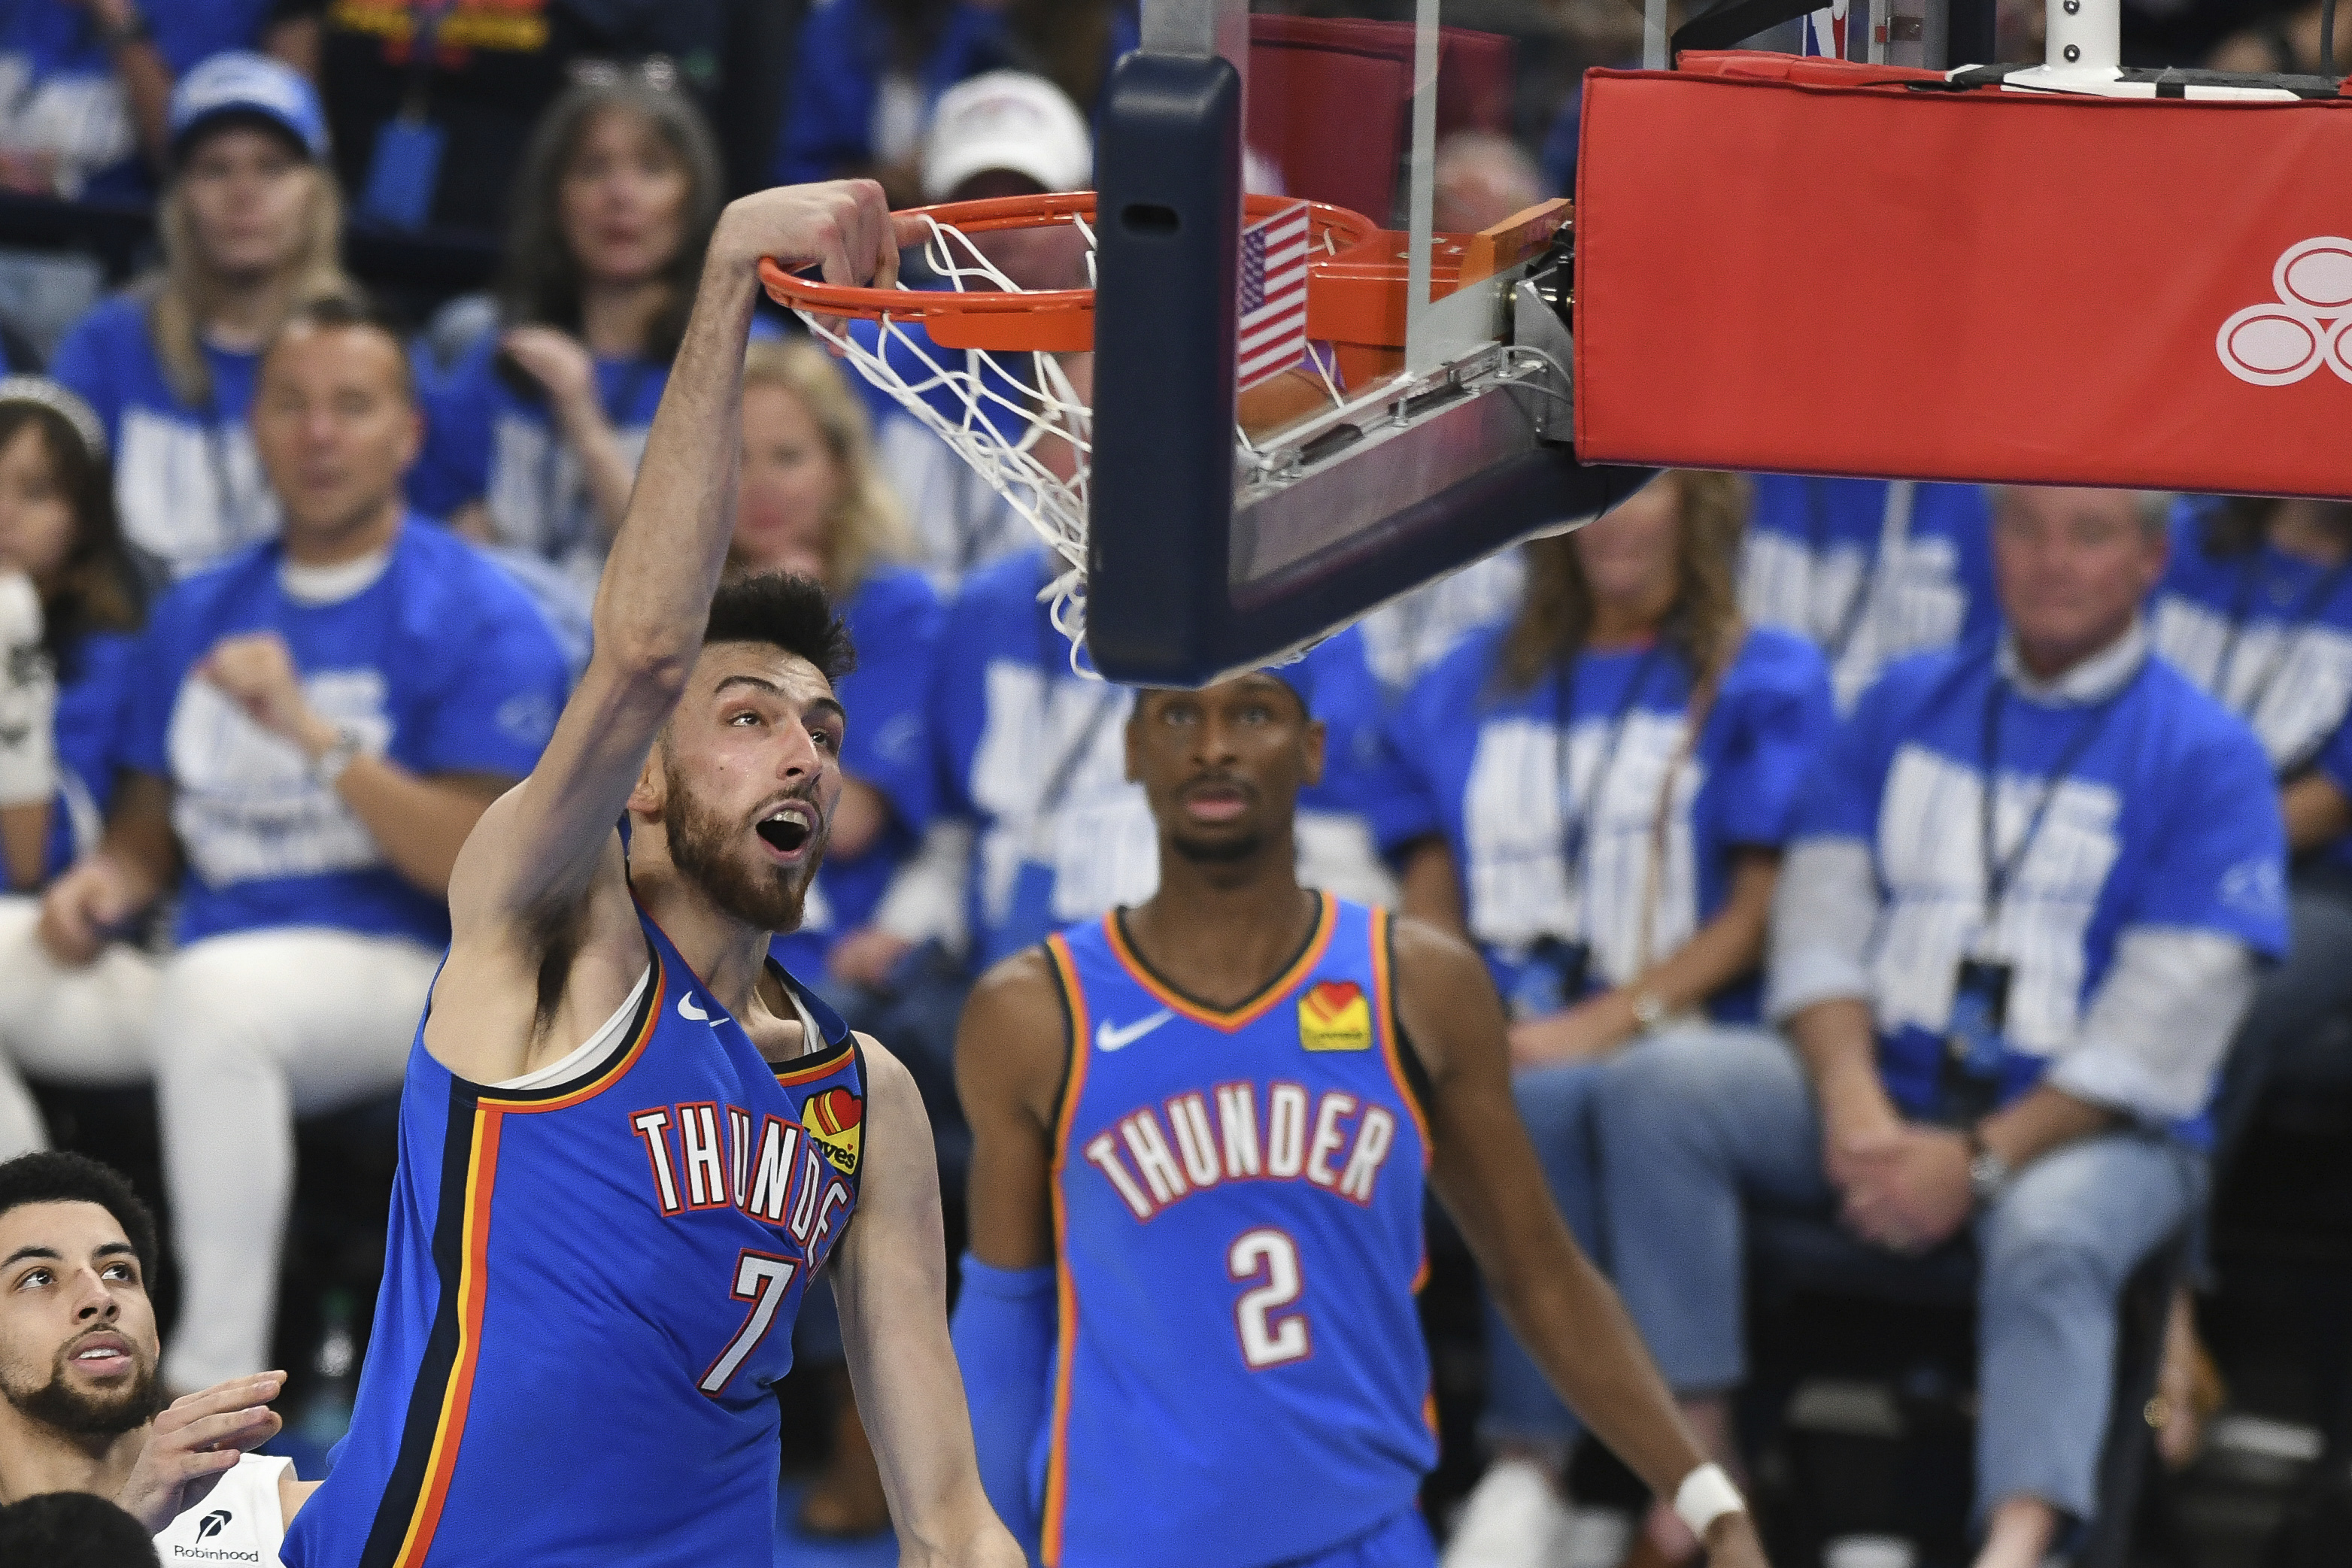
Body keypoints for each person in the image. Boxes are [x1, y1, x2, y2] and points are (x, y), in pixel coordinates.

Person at [280, 179, 1024, 1566]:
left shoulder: (870, 1100)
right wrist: (731, 272)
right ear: (644, 777)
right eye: (746, 721)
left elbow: (948, 1517)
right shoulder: (547, 941)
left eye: (822, 733)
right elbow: (637, 655)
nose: (802, 754)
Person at [1595, 487, 2290, 1568]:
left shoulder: (2209, 756)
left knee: (2050, 1231)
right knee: (1656, 1091)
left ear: (2152, 559)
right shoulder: (1899, 702)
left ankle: (2016, 1546)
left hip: (2100, 1134)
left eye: (2088, 534)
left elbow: (2161, 1027)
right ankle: (1699, 1472)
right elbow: (1819, 924)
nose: (2049, 560)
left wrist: (1973, 1161)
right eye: (2023, 527)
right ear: (1989, 542)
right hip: (1888, 1089)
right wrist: (1851, 1101)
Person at [948, 666, 1772, 1568]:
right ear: (1133, 749)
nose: (1213, 746)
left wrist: (1710, 1503)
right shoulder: (1035, 1011)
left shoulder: (1417, 987)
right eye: (1178, 715)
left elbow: (1542, 1276)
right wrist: (970, 1544)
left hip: (1365, 1540)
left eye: (1252, 713)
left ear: (1312, 751)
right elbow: (1001, 1323)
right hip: (1124, 1544)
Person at [9, 294, 572, 1394]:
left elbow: (480, 869)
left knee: (222, 999)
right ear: (256, 429)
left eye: (351, 407)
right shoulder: (199, 608)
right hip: (200, 967)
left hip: (413, 978)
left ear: (406, 435)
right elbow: (144, 835)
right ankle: (34, 1320)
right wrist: (104, 884)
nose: (319, 434)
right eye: (293, 406)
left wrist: (314, 738)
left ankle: (205, 1397)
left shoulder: (480, 613)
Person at [1377, 473, 1833, 1568]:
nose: (1615, 521)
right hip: (1511, 1035)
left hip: (1686, 1026)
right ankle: (1531, 1472)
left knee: (1595, 1093)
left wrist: (1610, 1019)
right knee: (1519, 1099)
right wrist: (1469, 1013)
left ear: (1699, 508)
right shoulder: (1467, 677)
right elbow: (1425, 878)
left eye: (1642, 493)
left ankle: (1673, 1450)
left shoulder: (1757, 672)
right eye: (1593, 498)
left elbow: (1756, 913)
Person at [730, 336, 945, 1538]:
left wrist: (792, 640)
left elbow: (843, 818)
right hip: (719, 954)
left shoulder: (897, 607)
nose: (761, 485)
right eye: (739, 461)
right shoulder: (693, 624)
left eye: (789, 456)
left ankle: (858, 1425)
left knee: (815, 1094)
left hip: (847, 951)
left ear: (839, 468)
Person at [2144, 493, 2352, 1465]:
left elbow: (2327, 801)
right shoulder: (2177, 532)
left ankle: (2162, 1304)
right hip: (2132, 855)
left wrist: (2173, 860)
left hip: (2308, 888)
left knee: (2218, 984)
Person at [411, 76, 726, 596]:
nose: (620, 196)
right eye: (591, 169)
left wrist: (583, 420)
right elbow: (444, 544)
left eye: (652, 169)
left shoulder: (742, 360)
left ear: (693, 198)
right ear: (555, 199)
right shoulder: (493, 355)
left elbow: (692, 576)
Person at [49, 52, 348, 580]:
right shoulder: (109, 342)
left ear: (315, 194)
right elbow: (53, 529)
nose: (243, 194)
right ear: (180, 198)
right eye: (214, 169)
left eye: (272, 168)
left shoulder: (361, 352)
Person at [0, 1150, 317, 1557]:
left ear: (154, 1336)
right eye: (39, 1277)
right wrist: (127, 1525)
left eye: (118, 1272)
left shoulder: (289, 1521)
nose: (99, 1297)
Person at [0, 377, 147, 1157]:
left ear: (84, 520)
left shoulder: (110, 657)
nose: (4, 514)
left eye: (35, 492)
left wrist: (11, 648)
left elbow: (32, 863)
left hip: (72, 949)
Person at [1738, 477, 1998, 711]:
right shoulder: (1744, 473)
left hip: (1895, 752)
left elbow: (1983, 678)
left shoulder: (1957, 496)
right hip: (1756, 743)